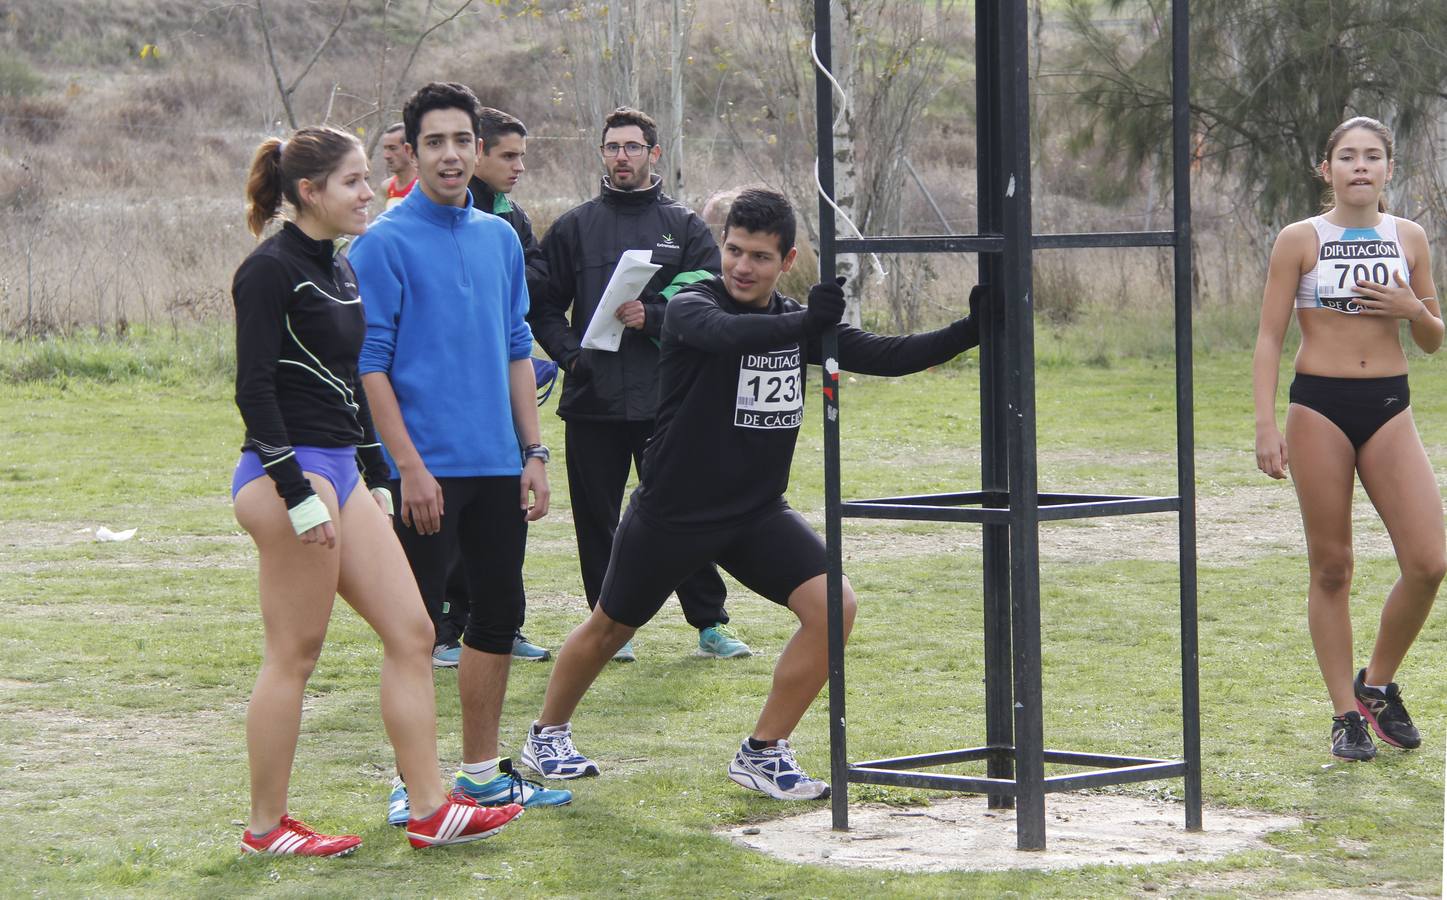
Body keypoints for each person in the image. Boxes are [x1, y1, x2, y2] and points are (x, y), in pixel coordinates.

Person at [520, 188, 981, 798]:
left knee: (833, 607)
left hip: (756, 511)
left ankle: (763, 752)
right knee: (611, 628)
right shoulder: (691, 304)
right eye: (734, 251)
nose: (742, 266)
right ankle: (546, 735)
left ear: (786, 261)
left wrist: (970, 330)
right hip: (675, 513)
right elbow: (727, 337)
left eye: (759, 257)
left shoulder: (793, 320)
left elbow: (887, 355)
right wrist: (808, 324)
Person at [230, 125, 522, 855]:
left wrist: (375, 476)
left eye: (369, 179)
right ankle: (266, 829)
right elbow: (255, 390)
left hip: (340, 475)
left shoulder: (340, 266)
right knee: (294, 654)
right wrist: (297, 491)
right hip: (286, 477)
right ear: (308, 192)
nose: (371, 192)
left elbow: (349, 386)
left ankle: (430, 808)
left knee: (414, 631)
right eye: (355, 182)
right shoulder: (269, 270)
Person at [349, 82, 573, 823]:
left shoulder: (500, 236)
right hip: (425, 472)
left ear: (477, 150)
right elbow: (370, 363)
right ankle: (408, 782)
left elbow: (517, 347)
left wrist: (533, 451)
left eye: (462, 141)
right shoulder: (381, 242)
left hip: (497, 465)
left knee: (497, 614)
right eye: (435, 142)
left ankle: (479, 773)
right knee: (412, 629)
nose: (451, 154)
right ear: (411, 152)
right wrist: (407, 465)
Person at [1253, 116, 1443, 762]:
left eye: (1371, 157)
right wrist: (1263, 424)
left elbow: (1431, 338)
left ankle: (1377, 685)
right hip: (1319, 410)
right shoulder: (1299, 240)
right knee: (1331, 566)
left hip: (1388, 406)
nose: (1359, 167)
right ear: (1325, 169)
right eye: (1346, 157)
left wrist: (1412, 310)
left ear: (1389, 169)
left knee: (1430, 560)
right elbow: (1268, 338)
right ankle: (1343, 715)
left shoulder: (1408, 239)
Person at [530, 106, 749, 662]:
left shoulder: (686, 227)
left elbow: (714, 296)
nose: (621, 156)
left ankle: (709, 624)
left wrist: (652, 316)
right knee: (598, 520)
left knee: (683, 510)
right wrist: (570, 354)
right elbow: (543, 304)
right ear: (601, 154)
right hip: (593, 397)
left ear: (654, 154)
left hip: (667, 400)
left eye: (632, 147)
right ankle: (610, 629)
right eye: (611, 147)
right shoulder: (575, 225)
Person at [421, 107, 551, 665]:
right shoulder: (402, 234)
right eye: (509, 155)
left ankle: (497, 624)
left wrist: (534, 448)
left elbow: (529, 296)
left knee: (500, 545)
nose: (518, 166)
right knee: (447, 537)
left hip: (500, 424)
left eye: (523, 156)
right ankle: (443, 629)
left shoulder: (506, 222)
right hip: (439, 433)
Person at [379, 122, 417, 210]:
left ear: (409, 149)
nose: (386, 155)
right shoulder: (386, 187)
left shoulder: (427, 186)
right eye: (385, 148)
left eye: (393, 148)